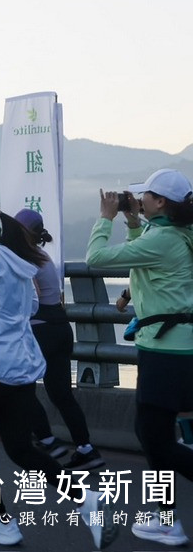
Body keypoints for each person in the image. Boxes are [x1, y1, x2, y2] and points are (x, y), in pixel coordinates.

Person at [0, 189, 115, 548]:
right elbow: (33, 303)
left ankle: (0, 521)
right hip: (22, 366)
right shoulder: (14, 259)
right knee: (21, 449)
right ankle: (86, 500)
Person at [89, 169, 193, 546]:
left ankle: (167, 520)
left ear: (160, 202)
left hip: (165, 354)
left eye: (144, 196)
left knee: (153, 437)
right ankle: (165, 519)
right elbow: (145, 261)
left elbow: (97, 257)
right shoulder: (176, 234)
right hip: (178, 348)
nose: (138, 200)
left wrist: (105, 217)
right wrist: (133, 221)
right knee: (158, 435)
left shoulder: (165, 239)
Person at [13, 208, 103, 470]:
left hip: (40, 329)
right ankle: (86, 448)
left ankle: (48, 440)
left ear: (21, 231)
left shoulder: (25, 259)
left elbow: (31, 293)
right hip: (61, 329)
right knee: (61, 394)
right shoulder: (42, 256)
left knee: (20, 388)